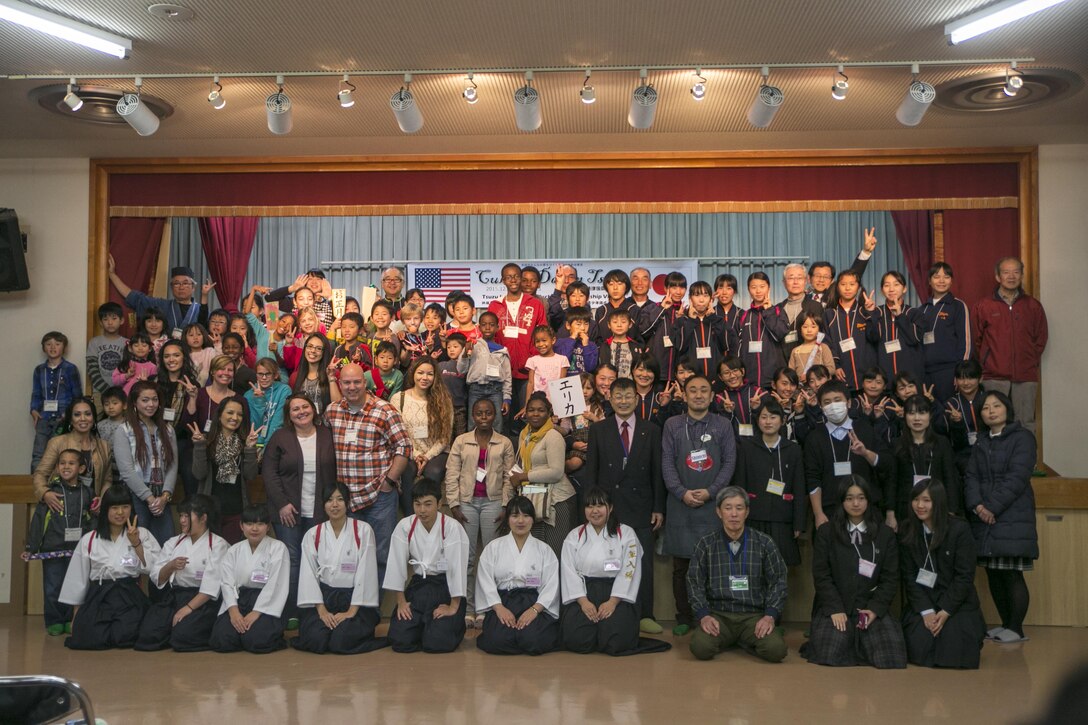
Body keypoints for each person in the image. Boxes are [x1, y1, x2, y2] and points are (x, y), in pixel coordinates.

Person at [582, 377, 665, 634]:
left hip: (641, 505)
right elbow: (591, 472)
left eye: (628, 396)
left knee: (642, 562)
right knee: (610, 559)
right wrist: (591, 507)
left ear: (637, 398)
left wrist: (658, 507)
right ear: (609, 398)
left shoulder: (651, 430)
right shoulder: (599, 429)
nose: (623, 400)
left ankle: (644, 614)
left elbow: (656, 473)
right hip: (609, 508)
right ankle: (612, 609)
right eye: (618, 396)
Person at [661, 374, 737, 635]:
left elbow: (729, 463)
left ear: (711, 394)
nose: (698, 395)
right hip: (680, 504)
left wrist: (711, 492)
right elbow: (667, 463)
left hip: (712, 505)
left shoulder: (722, 425)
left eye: (704, 390)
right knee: (681, 567)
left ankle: (712, 615)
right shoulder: (672, 425)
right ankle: (684, 617)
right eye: (692, 390)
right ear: (684, 393)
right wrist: (681, 492)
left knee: (713, 564)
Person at [805, 476, 907, 668]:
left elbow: (890, 578)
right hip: (836, 607)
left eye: (861, 498)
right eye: (849, 498)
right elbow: (821, 575)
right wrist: (834, 608)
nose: (856, 503)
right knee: (829, 653)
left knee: (891, 656)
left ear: (868, 500)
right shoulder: (826, 532)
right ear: (842, 501)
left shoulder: (885, 535)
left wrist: (875, 609)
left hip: (869, 607)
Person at [324, 363, 411, 585]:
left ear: (365, 383)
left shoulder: (385, 410)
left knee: (381, 555)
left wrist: (389, 482)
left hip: (378, 497)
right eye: (346, 382)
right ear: (340, 384)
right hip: (346, 500)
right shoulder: (332, 411)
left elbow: (403, 447)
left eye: (356, 382)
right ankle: (355, 607)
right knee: (350, 556)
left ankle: (373, 610)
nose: (351, 387)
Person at [964, 389, 1037, 644]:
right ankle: (1005, 624)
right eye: (985, 407)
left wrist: (991, 508)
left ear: (1007, 408)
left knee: (1011, 573)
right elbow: (970, 476)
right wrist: (977, 506)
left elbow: (1017, 478)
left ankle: (1016, 628)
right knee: (993, 572)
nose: (991, 411)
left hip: (1011, 516)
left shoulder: (1023, 438)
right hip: (985, 518)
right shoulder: (982, 442)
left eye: (996, 406)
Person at [560, 487, 670, 655]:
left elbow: (629, 570)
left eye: (600, 506)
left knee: (615, 641)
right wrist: (584, 602)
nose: (595, 511)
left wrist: (612, 602)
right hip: (584, 592)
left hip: (617, 592)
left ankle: (604, 630)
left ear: (610, 508)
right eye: (590, 506)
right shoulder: (575, 536)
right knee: (578, 640)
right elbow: (568, 571)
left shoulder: (626, 533)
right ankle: (594, 629)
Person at [687, 486, 789, 663]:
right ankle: (737, 641)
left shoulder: (764, 543)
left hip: (753, 616)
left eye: (739, 508)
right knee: (701, 648)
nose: (734, 514)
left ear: (747, 512)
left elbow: (779, 580)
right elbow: (693, 582)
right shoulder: (706, 544)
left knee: (776, 650)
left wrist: (770, 615)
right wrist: (704, 615)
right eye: (728, 508)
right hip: (719, 616)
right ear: (719, 512)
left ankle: (741, 640)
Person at [262, 394, 335, 626]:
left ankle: (316, 610)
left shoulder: (326, 434)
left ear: (313, 409)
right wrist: (282, 503)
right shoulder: (280, 437)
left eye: (305, 407)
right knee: (292, 560)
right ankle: (292, 611)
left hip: (319, 511)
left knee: (317, 560)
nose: (301, 411)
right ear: (289, 415)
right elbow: (269, 472)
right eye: (295, 409)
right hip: (288, 511)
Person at [60, 485, 161, 650]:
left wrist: (136, 543)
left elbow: (155, 568)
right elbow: (77, 580)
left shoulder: (142, 534)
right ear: (105, 510)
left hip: (129, 595)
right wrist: (76, 618)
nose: (120, 512)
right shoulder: (90, 539)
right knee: (88, 638)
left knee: (127, 634)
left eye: (125, 507)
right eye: (114, 507)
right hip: (99, 595)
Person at [899, 478, 986, 669]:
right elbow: (909, 577)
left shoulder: (959, 529)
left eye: (927, 500)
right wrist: (927, 611)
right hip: (925, 601)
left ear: (938, 502)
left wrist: (945, 611)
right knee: (919, 645)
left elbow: (964, 576)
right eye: (916, 500)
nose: (920, 505)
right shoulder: (907, 530)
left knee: (956, 646)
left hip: (956, 602)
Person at [445, 398, 516, 629]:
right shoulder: (461, 441)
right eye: (479, 413)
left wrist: (505, 504)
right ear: (473, 416)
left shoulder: (504, 442)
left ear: (495, 416)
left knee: (490, 560)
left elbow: (509, 476)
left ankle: (487, 608)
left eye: (488, 413)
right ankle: (468, 608)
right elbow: (451, 473)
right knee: (467, 559)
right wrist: (454, 503)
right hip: (467, 503)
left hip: (492, 503)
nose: (484, 417)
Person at [294, 483, 387, 654]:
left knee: (341, 641)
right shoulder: (313, 534)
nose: (334, 505)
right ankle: (325, 629)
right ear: (323, 504)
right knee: (317, 640)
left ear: (348, 503)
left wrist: (351, 611)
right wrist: (322, 611)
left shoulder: (363, 531)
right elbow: (308, 575)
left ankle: (345, 631)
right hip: (324, 598)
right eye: (329, 500)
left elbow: (367, 574)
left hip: (354, 600)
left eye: (339, 499)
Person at [384, 478, 470, 653]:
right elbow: (396, 564)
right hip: (418, 586)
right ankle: (423, 627)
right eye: (418, 504)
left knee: (437, 643)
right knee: (400, 641)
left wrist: (453, 606)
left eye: (428, 504)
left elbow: (457, 569)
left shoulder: (452, 528)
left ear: (439, 504)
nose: (422, 510)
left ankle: (445, 627)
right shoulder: (405, 526)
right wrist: (401, 602)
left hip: (445, 587)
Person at [475, 496, 561, 655]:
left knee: (532, 640)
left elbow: (551, 585)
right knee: (497, 641)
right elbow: (485, 581)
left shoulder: (544, 550)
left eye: (526, 516)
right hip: (503, 600)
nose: (520, 521)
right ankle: (516, 636)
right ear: (507, 519)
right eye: (515, 516)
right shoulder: (493, 548)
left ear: (533, 519)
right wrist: (499, 608)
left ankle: (523, 636)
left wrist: (534, 610)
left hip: (533, 601)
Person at [23, 449, 96, 635]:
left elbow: (92, 521)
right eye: (62, 463)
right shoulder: (50, 493)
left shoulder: (87, 493)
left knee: (74, 584)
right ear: (56, 467)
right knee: (53, 586)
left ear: (81, 469)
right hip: (53, 547)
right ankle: (54, 621)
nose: (66, 466)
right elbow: (39, 520)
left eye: (71, 463)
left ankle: (70, 619)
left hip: (78, 549)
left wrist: (93, 545)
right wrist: (31, 546)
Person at [973, 256, 1048, 435]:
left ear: (1021, 276)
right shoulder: (984, 306)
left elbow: (1040, 339)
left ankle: (1024, 464)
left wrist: (1029, 361)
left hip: (1025, 376)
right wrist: (988, 362)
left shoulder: (1033, 306)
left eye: (1016, 272)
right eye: (1006, 272)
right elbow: (977, 340)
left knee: (1025, 424)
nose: (1011, 276)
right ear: (998, 277)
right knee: (994, 424)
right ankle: (996, 463)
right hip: (994, 377)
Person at [804, 380, 892, 529]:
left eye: (837, 400)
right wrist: (818, 513)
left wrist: (865, 453)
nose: (833, 405)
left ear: (849, 403)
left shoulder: (865, 429)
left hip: (866, 509)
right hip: (829, 511)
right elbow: (813, 478)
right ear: (821, 407)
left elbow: (886, 465)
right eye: (827, 402)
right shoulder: (814, 437)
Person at [731, 400, 806, 566]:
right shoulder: (747, 447)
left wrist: (799, 523)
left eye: (773, 417)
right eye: (763, 417)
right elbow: (739, 484)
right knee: (753, 566)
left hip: (783, 519)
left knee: (780, 568)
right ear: (758, 421)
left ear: (782, 420)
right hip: (754, 517)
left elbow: (799, 487)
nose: (768, 421)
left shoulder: (793, 450)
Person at [209, 503, 291, 654]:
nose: (254, 528)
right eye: (249, 523)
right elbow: (227, 583)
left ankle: (261, 633)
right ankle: (240, 632)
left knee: (256, 641)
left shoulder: (278, 548)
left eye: (260, 524)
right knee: (222, 640)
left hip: (265, 602)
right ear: (241, 526)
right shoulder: (234, 550)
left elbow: (275, 585)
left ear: (267, 527)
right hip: (239, 600)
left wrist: (256, 612)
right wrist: (234, 612)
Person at [508, 392, 577, 557]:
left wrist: (524, 477)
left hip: (557, 501)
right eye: (531, 410)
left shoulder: (553, 436)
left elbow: (556, 472)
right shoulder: (525, 435)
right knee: (538, 555)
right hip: (535, 500)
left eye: (540, 410)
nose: (535, 414)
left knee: (555, 554)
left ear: (549, 412)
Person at [112, 380, 178, 544]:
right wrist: (149, 499)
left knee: (166, 546)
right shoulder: (124, 430)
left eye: (155, 399)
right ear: (134, 402)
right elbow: (126, 471)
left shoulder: (168, 430)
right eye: (145, 400)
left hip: (161, 496)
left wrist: (165, 496)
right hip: (136, 496)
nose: (151, 404)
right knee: (138, 547)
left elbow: (172, 465)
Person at [189, 398, 260, 543]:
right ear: (220, 414)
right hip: (209, 512)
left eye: (239, 414)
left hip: (236, 510)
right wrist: (199, 446)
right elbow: (199, 474)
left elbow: (251, 475)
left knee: (231, 555)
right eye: (230, 412)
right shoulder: (206, 441)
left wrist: (250, 448)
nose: (235, 418)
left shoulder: (244, 441)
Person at [487, 263, 548, 433]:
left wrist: (532, 357)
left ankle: (526, 450)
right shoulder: (495, 305)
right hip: (502, 369)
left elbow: (541, 331)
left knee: (527, 411)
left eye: (516, 276)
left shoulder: (534, 304)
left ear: (521, 279)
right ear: (503, 280)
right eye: (508, 277)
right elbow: (489, 335)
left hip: (526, 368)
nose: (513, 280)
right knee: (504, 413)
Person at [390, 358, 454, 514]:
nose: (424, 378)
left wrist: (427, 456)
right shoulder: (399, 399)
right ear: (413, 373)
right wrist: (417, 454)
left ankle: (430, 515)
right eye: (420, 373)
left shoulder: (444, 400)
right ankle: (409, 517)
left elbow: (445, 436)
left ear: (435, 376)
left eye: (429, 374)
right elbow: (398, 432)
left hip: (436, 452)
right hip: (407, 450)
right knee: (405, 471)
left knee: (434, 472)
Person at [892, 395, 963, 521]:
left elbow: (950, 478)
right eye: (911, 413)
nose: (917, 418)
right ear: (905, 416)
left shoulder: (942, 443)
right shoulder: (897, 444)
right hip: (906, 509)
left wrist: (952, 510)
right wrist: (890, 513)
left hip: (937, 506)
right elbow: (892, 481)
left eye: (922, 412)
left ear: (930, 416)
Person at [912, 262, 972, 403]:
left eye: (946, 277)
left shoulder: (958, 306)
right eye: (936, 276)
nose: (941, 280)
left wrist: (961, 375)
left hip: (949, 371)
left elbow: (966, 342)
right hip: (925, 373)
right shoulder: (921, 310)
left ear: (951, 281)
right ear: (929, 281)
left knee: (950, 412)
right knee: (930, 414)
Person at [32, 397, 111, 505]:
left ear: (93, 418)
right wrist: (45, 493)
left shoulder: (104, 445)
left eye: (87, 414)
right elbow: (40, 474)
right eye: (77, 414)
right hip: (62, 507)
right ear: (70, 419)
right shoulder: (57, 442)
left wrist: (102, 500)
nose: (83, 418)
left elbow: (107, 480)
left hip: (93, 510)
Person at [108, 256, 211, 337]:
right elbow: (134, 297)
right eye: (176, 283)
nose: (181, 287)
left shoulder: (200, 309)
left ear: (193, 287)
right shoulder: (162, 305)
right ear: (171, 287)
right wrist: (112, 275)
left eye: (185, 283)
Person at [30, 331, 83, 471]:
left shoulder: (70, 369)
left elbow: (77, 395)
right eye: (48, 344)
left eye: (57, 344)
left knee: (62, 453)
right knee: (39, 453)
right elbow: (36, 393)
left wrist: (71, 414)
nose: (53, 347)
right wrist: (34, 410)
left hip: (63, 418)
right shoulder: (39, 370)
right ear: (43, 348)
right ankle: (36, 484)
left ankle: (58, 486)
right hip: (44, 417)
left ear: (64, 347)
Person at [824, 271, 879, 393]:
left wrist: (870, 313)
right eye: (843, 284)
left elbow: (875, 338)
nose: (847, 288)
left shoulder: (865, 311)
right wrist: (836, 366)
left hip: (867, 376)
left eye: (852, 284)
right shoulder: (830, 314)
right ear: (837, 287)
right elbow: (827, 343)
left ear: (858, 287)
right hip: (842, 374)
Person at [734, 272, 789, 390]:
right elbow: (737, 346)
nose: (758, 291)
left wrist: (769, 311)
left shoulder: (778, 310)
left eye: (762, 286)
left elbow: (780, 334)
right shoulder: (744, 315)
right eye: (753, 287)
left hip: (774, 380)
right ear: (749, 290)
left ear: (769, 288)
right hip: (749, 381)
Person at [465, 310, 512, 434]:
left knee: (496, 423)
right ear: (479, 327)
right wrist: (465, 353)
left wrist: (507, 398)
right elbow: (461, 369)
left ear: (497, 327)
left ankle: (495, 452)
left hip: (495, 391)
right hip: (475, 389)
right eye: (484, 324)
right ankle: (473, 451)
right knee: (473, 422)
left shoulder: (502, 351)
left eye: (491, 325)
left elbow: (507, 376)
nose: (487, 327)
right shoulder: (473, 345)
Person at [874, 271, 925, 385]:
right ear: (882, 290)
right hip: (884, 377)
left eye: (896, 284)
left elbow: (914, 339)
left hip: (910, 377)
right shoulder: (877, 313)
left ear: (905, 288)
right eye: (887, 285)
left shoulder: (915, 313)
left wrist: (900, 316)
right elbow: (871, 339)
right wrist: (870, 314)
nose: (891, 289)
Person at [807, 228, 878, 306]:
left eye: (826, 277)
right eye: (817, 276)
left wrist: (866, 252)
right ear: (809, 278)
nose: (821, 280)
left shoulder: (835, 294)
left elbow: (853, 274)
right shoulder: (803, 297)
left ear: (832, 281)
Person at [778, 263, 827, 361]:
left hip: (809, 363)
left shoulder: (815, 307)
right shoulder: (777, 309)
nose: (795, 282)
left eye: (799, 278)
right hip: (783, 365)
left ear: (805, 281)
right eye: (791, 278)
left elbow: (822, 337)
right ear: (784, 282)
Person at [245, 357, 292, 450]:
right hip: (254, 443)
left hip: (275, 443)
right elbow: (255, 424)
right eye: (260, 374)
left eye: (268, 374)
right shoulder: (248, 395)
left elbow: (278, 421)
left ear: (275, 375)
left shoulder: (284, 390)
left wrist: (268, 448)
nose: (264, 378)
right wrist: (259, 401)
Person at [290, 333, 341, 414]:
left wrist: (331, 378)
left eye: (318, 348)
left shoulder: (334, 374)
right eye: (310, 346)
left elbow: (338, 406)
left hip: (326, 423)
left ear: (324, 352)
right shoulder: (295, 377)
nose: (313, 351)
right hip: (303, 423)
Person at [86, 301, 126, 399]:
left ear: (121, 320)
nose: (110, 322)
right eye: (105, 319)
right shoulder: (94, 342)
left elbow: (128, 369)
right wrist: (106, 390)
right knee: (98, 414)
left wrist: (119, 391)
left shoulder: (127, 343)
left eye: (114, 318)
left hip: (121, 392)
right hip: (99, 392)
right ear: (100, 322)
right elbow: (92, 370)